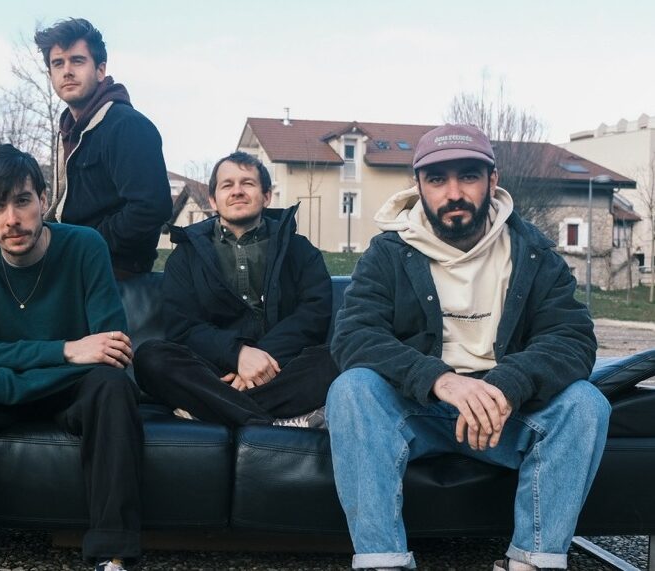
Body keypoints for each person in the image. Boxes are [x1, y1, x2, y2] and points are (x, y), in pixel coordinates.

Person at [326, 124, 611, 571]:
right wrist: (440, 380)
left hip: (505, 414)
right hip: (419, 411)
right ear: (419, 186)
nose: (454, 193)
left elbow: (571, 337)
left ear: (492, 181)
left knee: (586, 403)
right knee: (352, 389)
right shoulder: (387, 253)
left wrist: (505, 385)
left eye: (469, 176)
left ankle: (533, 561)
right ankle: (383, 562)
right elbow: (354, 335)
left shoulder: (534, 253)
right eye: (438, 179)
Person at [0, 144, 142, 571]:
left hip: (67, 393)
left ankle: (112, 555)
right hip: (12, 388)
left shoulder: (86, 245)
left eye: (22, 201)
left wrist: (5, 378)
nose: (12, 219)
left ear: (44, 199)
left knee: (112, 386)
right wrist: (68, 349)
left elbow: (112, 351)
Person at [134, 151, 338, 428]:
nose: (237, 191)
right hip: (213, 372)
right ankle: (269, 422)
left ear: (267, 196)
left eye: (248, 183)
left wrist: (260, 359)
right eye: (227, 185)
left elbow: (313, 315)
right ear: (213, 199)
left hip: (281, 367)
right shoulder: (186, 256)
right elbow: (183, 327)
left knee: (339, 356)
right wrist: (238, 355)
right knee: (151, 357)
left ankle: (212, 409)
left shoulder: (299, 249)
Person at [34, 17, 172, 278]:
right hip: (73, 269)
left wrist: (85, 247)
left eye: (77, 60)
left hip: (113, 275)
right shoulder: (70, 130)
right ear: (50, 74)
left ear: (100, 70)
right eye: (58, 63)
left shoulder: (126, 126)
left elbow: (151, 208)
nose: (67, 71)